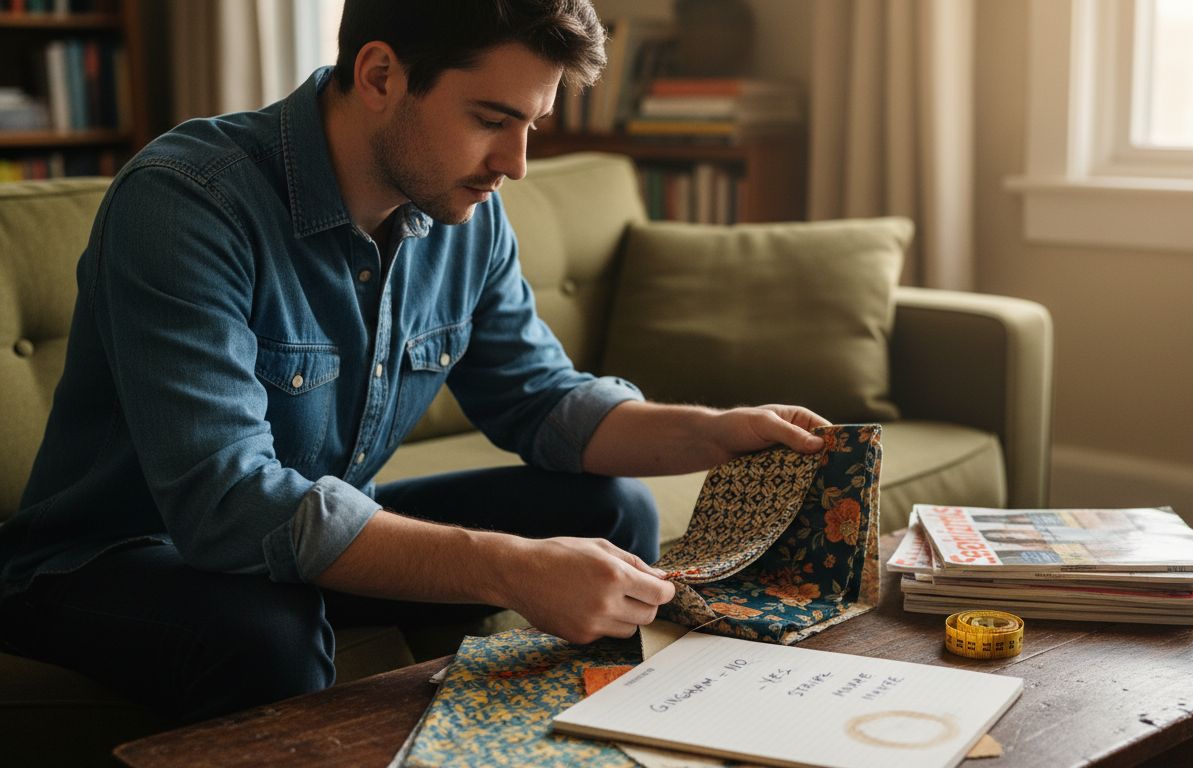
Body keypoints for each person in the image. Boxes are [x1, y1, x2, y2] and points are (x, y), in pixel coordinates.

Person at [0, 0, 827, 724]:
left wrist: (715, 434)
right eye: (491, 118)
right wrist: (507, 567)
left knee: (610, 511)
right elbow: (227, 504)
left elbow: (540, 402)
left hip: (307, 532)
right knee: (265, 633)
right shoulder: (188, 201)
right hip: (110, 558)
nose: (516, 163)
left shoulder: (466, 215)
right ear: (381, 73)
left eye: (531, 125)